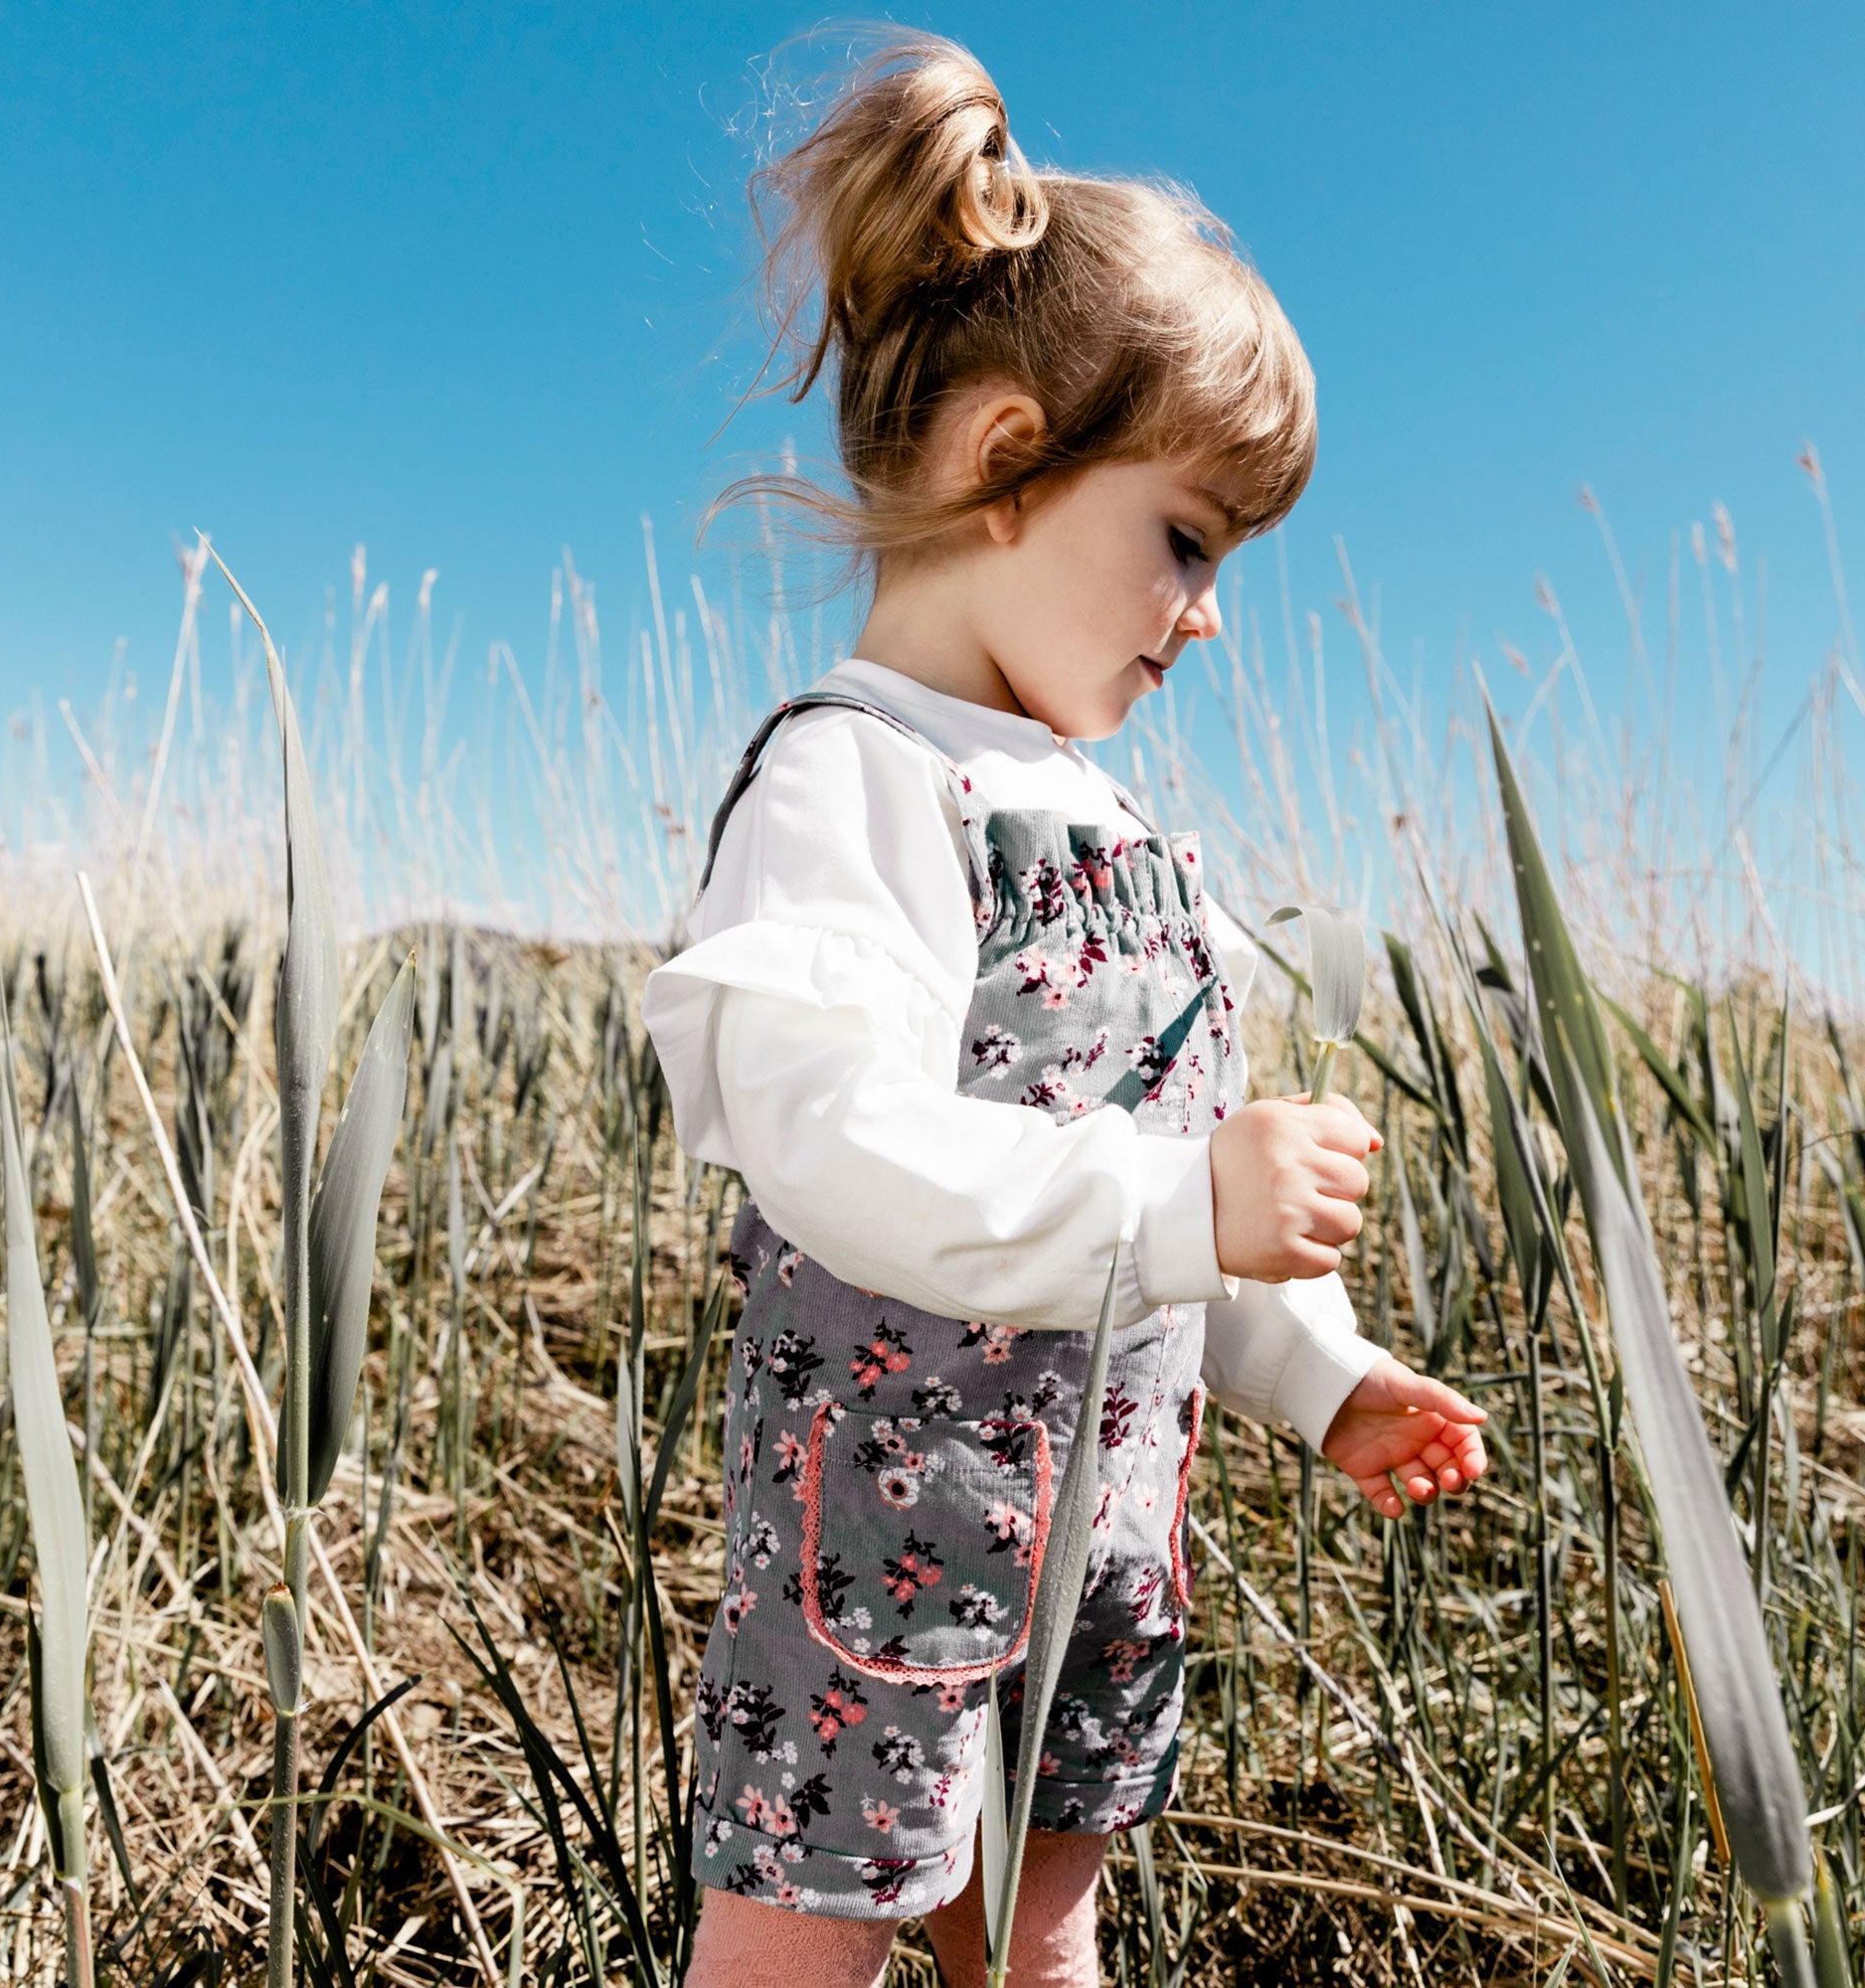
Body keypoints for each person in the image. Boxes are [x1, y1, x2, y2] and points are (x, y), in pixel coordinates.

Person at [640, 32, 1487, 1988]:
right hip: (885, 1547)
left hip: (1099, 1542)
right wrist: (1185, 1211)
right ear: (1005, 461)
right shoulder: (852, 778)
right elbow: (840, 1149)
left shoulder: (1120, 829)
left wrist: (1315, 1364)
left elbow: (1195, 1185)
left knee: (1047, 1924)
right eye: (1187, 539)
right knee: (800, 1941)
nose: (1206, 614)